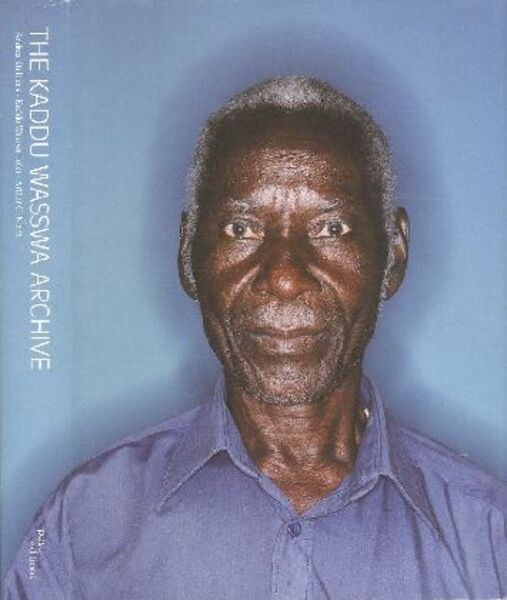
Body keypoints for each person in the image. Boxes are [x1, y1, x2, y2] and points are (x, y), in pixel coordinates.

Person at [4, 77, 506, 600]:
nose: (284, 275)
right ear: (188, 255)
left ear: (393, 258)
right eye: (240, 229)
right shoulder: (82, 523)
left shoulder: (489, 539)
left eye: (331, 228)